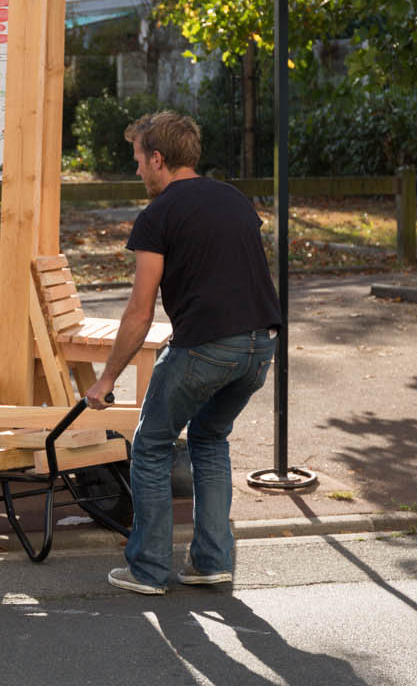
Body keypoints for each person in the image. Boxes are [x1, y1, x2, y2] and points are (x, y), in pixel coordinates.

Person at [85, 111, 282, 595]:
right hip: (260, 346)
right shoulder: (235, 200)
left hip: (208, 349)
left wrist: (106, 379)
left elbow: (139, 309)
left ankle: (150, 570)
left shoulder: (159, 215)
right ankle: (212, 561)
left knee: (150, 447)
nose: (137, 173)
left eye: (138, 161)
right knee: (210, 441)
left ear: (158, 158)